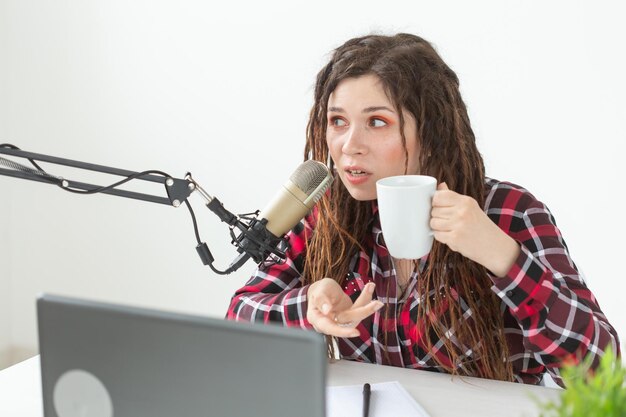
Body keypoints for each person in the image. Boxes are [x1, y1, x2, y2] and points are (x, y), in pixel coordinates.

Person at [226, 33, 619, 386]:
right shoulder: (328, 216)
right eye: (338, 121)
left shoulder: (509, 212)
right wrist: (307, 306)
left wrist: (503, 257)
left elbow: (602, 372)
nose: (349, 144)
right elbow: (238, 320)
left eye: (377, 122)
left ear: (429, 133)